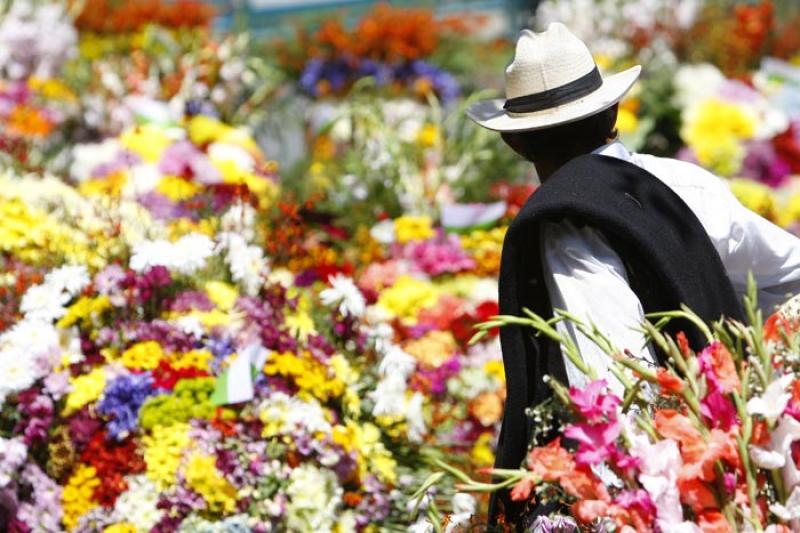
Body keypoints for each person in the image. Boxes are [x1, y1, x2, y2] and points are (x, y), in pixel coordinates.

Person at [467, 22, 800, 525]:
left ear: (518, 145)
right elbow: (789, 271)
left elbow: (611, 385)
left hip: (675, 491)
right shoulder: (682, 183)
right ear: (613, 112)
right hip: (737, 460)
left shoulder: (567, 223)